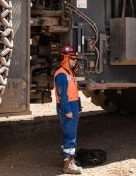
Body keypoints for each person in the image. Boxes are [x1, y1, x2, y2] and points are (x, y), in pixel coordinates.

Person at [54, 45, 82, 174]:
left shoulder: (70, 73)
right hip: (68, 107)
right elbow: (62, 94)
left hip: (73, 106)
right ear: (65, 59)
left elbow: (74, 92)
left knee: (70, 134)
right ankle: (68, 165)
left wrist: (78, 106)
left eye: (75, 59)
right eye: (72, 58)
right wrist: (67, 110)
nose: (74, 61)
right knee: (70, 135)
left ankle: (68, 159)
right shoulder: (61, 74)